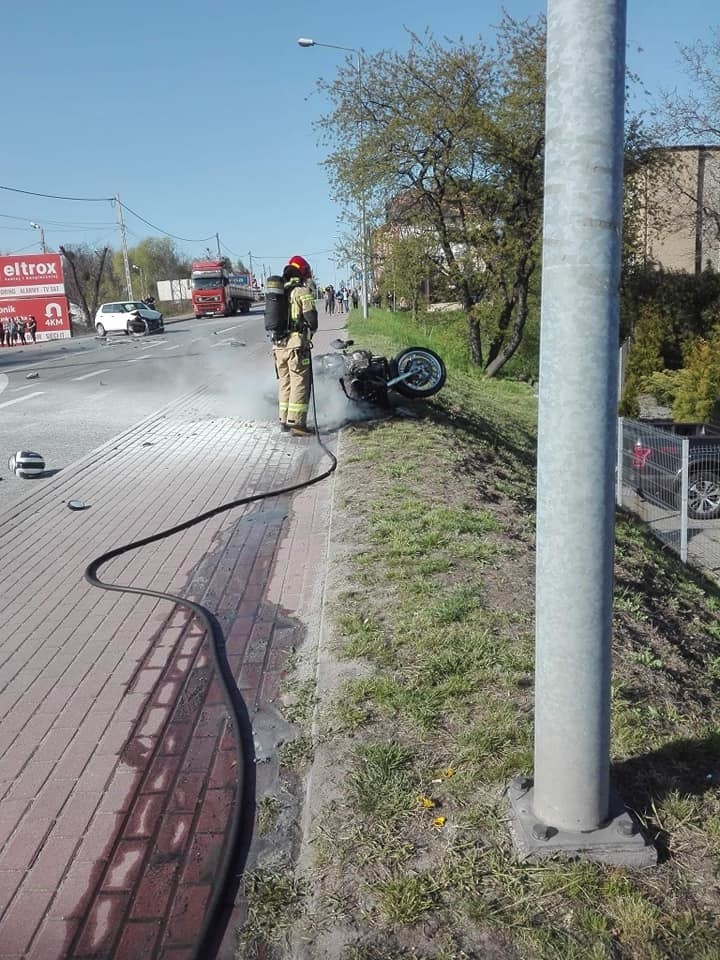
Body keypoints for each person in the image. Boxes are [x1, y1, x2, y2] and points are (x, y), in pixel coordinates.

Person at [272, 255, 318, 437]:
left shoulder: (279, 292)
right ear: (303, 272)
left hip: (278, 347)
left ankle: (284, 421)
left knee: (285, 383)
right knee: (299, 383)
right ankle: (297, 424)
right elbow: (312, 321)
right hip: (296, 346)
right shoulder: (302, 292)